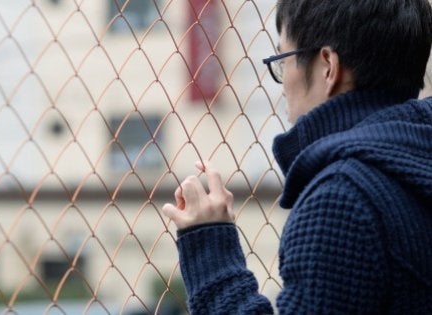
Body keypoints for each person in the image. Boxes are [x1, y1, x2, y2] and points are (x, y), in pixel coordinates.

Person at [162, 0, 432, 313]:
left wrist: (210, 249)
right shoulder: (414, 157)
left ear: (328, 66)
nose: (282, 84)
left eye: (283, 59)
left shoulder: (342, 200)